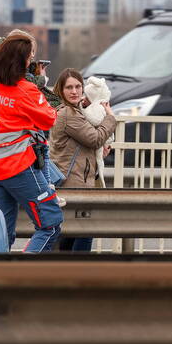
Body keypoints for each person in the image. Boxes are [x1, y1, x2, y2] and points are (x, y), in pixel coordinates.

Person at [0, 33, 62, 252]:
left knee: (2, 233)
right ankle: (20, 274)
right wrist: (39, 85)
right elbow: (49, 118)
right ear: (21, 62)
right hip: (19, 167)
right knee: (50, 224)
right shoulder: (25, 90)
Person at [49, 68, 117, 252]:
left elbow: (81, 146)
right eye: (69, 87)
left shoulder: (76, 111)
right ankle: (77, 272)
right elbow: (94, 138)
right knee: (84, 232)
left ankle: (66, 274)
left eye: (78, 86)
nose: (74, 91)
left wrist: (98, 155)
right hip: (71, 182)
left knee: (70, 236)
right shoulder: (68, 114)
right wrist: (110, 118)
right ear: (61, 91)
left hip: (77, 180)